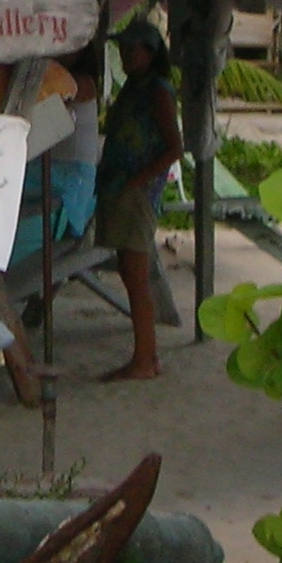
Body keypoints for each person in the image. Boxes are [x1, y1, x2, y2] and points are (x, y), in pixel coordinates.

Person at [95, 22, 182, 382]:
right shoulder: (136, 86)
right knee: (132, 274)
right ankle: (146, 356)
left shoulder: (158, 90)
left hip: (137, 193)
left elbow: (174, 146)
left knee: (136, 275)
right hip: (122, 188)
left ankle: (145, 359)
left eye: (133, 50)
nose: (127, 56)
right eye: (124, 50)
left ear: (150, 52)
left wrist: (137, 181)